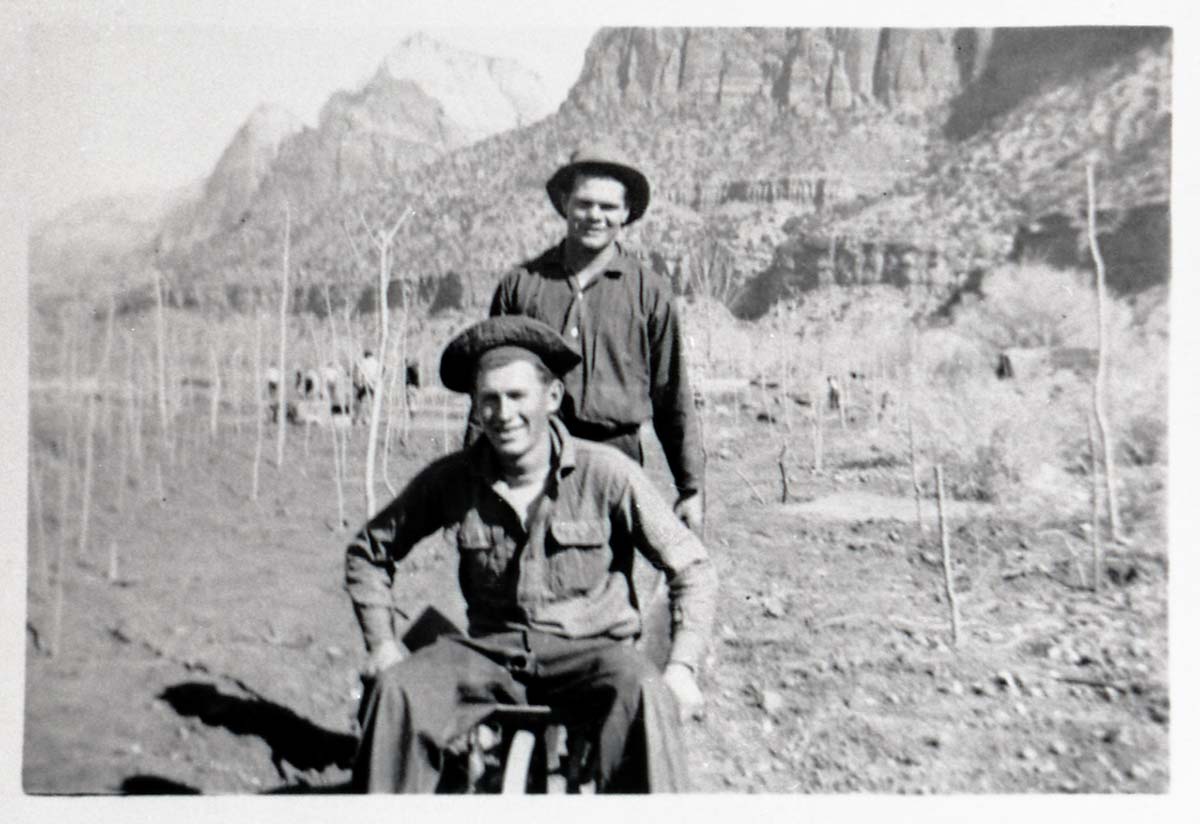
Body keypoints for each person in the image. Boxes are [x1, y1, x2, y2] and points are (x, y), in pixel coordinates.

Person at [345, 316, 717, 793]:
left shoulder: (606, 474)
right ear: (476, 408)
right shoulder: (452, 479)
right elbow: (368, 551)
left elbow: (692, 566)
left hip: (592, 652)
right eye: (489, 400)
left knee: (647, 696)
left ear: (552, 398)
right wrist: (381, 643)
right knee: (396, 691)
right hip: (490, 654)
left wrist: (682, 667)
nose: (503, 414)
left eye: (517, 396)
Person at [488, 142, 705, 533]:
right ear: (565, 203)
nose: (595, 216)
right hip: (531, 456)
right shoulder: (521, 285)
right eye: (584, 204)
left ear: (626, 213)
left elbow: (672, 394)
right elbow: (488, 385)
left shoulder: (649, 292)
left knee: (608, 582)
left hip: (615, 461)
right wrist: (473, 476)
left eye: (608, 208)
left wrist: (690, 487)